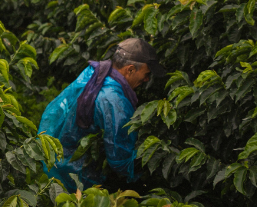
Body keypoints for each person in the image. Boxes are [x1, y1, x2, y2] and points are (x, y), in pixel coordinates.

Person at [38, 38, 166, 190]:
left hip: (50, 152)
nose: (147, 79)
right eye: (146, 74)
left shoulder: (96, 72)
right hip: (71, 172)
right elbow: (120, 159)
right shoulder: (114, 100)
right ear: (130, 69)